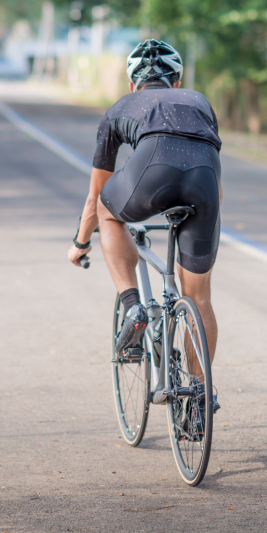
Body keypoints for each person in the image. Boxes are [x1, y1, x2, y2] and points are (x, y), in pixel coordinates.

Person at [68, 38, 222, 424]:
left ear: (133, 83)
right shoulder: (199, 101)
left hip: (150, 174)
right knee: (199, 298)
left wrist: (80, 243)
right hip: (204, 188)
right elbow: (215, 172)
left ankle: (132, 304)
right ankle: (199, 401)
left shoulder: (119, 108)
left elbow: (93, 199)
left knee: (108, 208)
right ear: (178, 80)